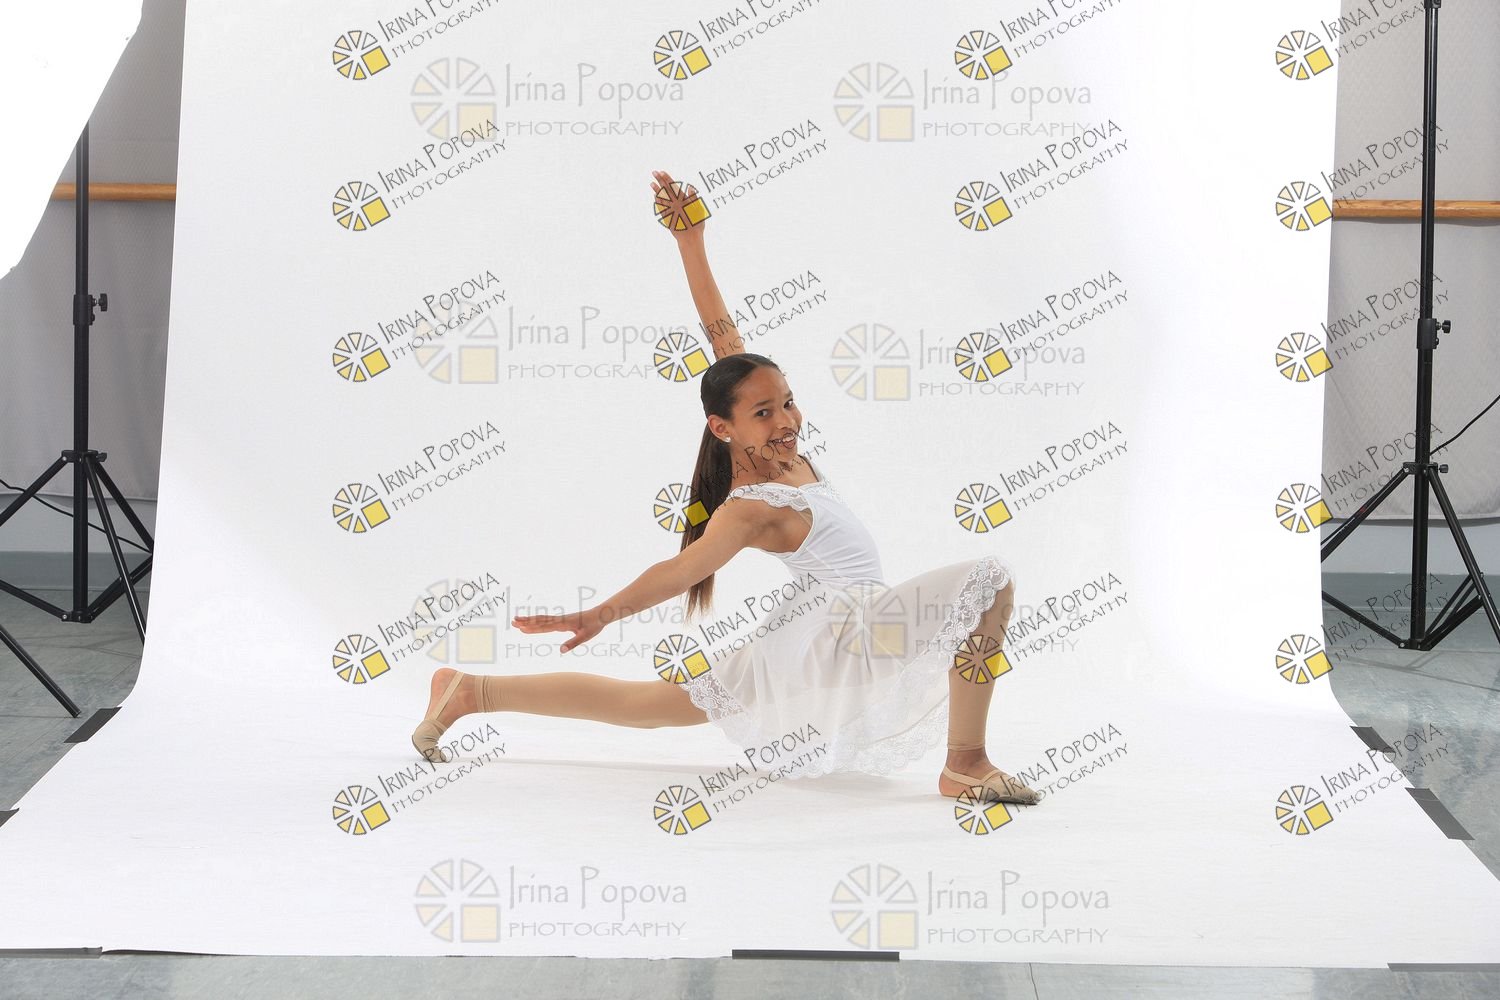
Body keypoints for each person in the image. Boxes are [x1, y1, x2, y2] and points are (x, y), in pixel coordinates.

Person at [410, 170, 1038, 805]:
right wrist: (597, 615)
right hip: (844, 631)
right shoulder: (751, 507)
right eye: (764, 413)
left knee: (649, 707)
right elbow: (680, 572)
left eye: (788, 402)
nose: (786, 421)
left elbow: (723, 337)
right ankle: (966, 762)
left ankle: (472, 691)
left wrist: (691, 241)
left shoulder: (774, 448)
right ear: (724, 427)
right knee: (988, 579)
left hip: (813, 635)